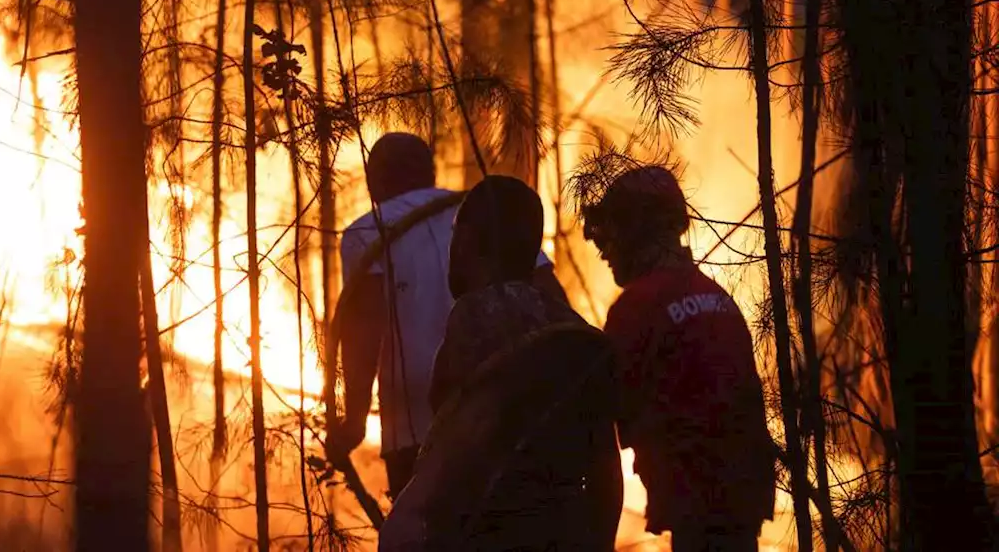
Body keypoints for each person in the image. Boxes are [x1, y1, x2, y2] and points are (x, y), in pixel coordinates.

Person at [379, 175, 622, 551]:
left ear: (470, 242)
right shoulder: (574, 330)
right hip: (566, 533)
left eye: (457, 234)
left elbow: (457, 447)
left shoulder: (475, 316)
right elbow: (606, 469)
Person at [325, 133, 567, 500]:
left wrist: (354, 421)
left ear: (374, 180)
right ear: (430, 171)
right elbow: (551, 298)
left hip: (416, 428)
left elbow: (364, 328)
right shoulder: (487, 214)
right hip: (509, 414)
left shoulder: (367, 230)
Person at [581, 164, 776, 552]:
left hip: (698, 501)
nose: (605, 253)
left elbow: (601, 412)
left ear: (634, 232)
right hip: (740, 493)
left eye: (612, 233)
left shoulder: (637, 307)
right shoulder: (715, 296)